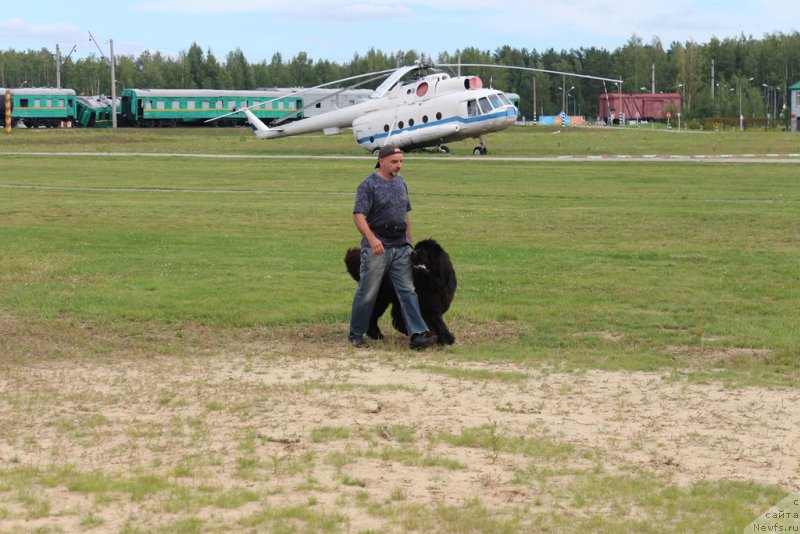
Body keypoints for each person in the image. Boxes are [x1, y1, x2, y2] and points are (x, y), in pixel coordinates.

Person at [348, 144, 436, 351]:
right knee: (368, 292)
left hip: (400, 247)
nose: (399, 166)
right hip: (377, 248)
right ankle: (356, 333)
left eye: (401, 162)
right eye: (394, 162)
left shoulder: (401, 183)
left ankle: (418, 334)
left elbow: (405, 215)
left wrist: (409, 242)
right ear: (381, 161)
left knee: (408, 291)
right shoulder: (368, 185)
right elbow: (358, 216)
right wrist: (372, 240)